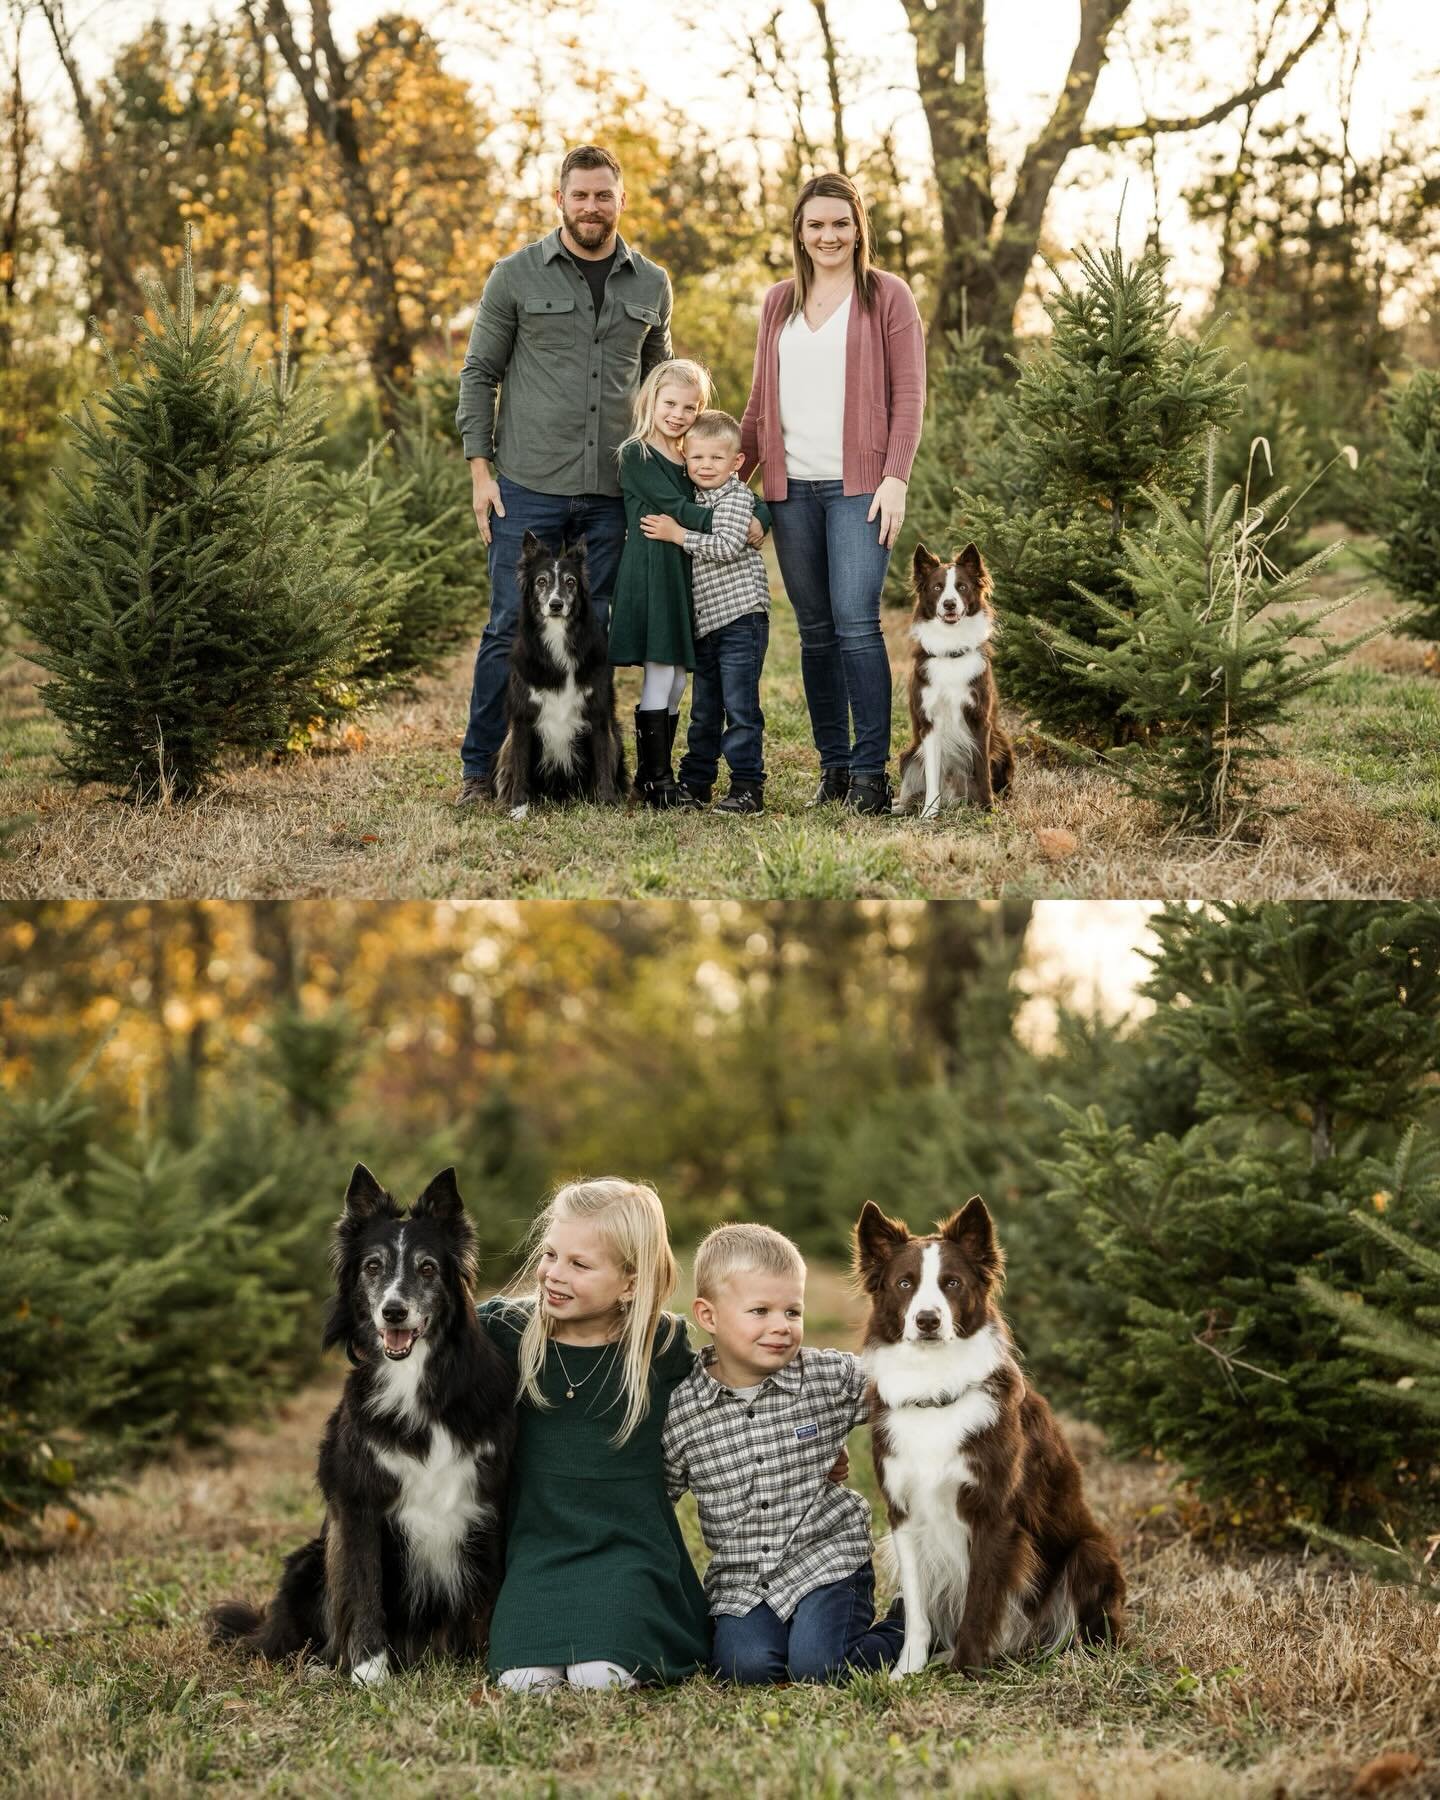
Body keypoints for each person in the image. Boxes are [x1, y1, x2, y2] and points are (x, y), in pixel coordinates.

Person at [454, 145, 673, 804]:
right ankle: (477, 772)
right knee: (504, 628)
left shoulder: (651, 284)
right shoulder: (514, 276)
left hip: (610, 495)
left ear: (620, 199)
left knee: (593, 627)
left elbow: (659, 385)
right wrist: (479, 472)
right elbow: (478, 374)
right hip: (525, 486)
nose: (591, 207)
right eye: (579, 195)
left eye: (603, 194)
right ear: (559, 200)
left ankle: (582, 771)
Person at [739, 172, 926, 816]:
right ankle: (835, 768)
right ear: (799, 230)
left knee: (855, 621)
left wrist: (895, 478)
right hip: (791, 490)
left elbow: (909, 397)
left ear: (858, 229)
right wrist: (731, 482)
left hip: (860, 490)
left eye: (840, 224)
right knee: (815, 631)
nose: (828, 236)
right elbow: (760, 403)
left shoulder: (887, 298)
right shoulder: (777, 303)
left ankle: (871, 772)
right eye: (816, 224)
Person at [477, 1179, 710, 1690]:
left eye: (579, 1265)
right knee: (522, 1682)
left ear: (630, 1282)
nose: (554, 1275)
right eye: (550, 1255)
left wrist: (813, 1453)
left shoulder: (661, 1347)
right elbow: (428, 1344)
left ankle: (638, 1630)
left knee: (599, 1676)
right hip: (538, 1552)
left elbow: (728, 1410)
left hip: (629, 1551)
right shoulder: (505, 1332)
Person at [663, 1222, 905, 1684]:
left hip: (826, 1560)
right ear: (708, 1316)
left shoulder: (825, 1378)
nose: (781, 1326)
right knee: (742, 1669)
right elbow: (659, 1499)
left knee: (820, 1666)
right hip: (744, 1582)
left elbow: (898, 1385)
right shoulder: (683, 1409)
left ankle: (909, 1624)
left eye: (792, 1311)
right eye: (760, 1311)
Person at [639, 409, 772, 815]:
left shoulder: (736, 497)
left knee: (740, 708)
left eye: (716, 458)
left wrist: (679, 535)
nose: (705, 466)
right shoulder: (691, 496)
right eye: (697, 458)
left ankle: (748, 786)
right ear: (685, 456)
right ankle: (695, 783)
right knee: (704, 709)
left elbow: (728, 545)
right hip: (707, 624)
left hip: (741, 619)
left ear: (736, 463)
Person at [607, 360, 717, 807]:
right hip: (650, 570)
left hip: (679, 570)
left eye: (690, 407)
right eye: (670, 403)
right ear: (651, 399)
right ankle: (656, 783)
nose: (678, 413)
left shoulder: (688, 453)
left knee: (675, 679)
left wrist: (756, 513)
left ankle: (655, 779)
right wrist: (730, 522)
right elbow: (676, 505)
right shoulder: (636, 454)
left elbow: (721, 485)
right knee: (660, 670)